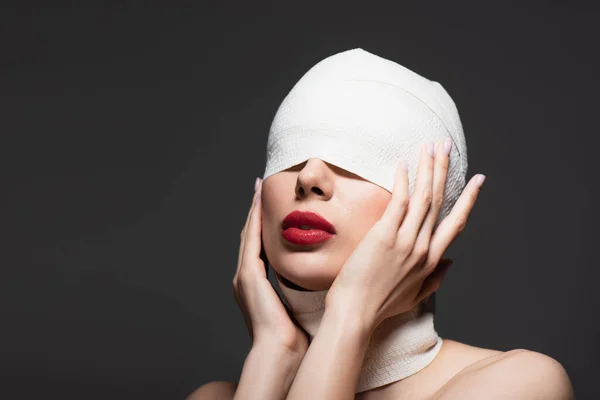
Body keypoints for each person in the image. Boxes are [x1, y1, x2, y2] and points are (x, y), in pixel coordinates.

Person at [188, 49, 574, 399]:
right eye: (290, 152)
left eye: (359, 158)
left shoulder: (518, 384)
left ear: (431, 209)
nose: (308, 177)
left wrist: (349, 314)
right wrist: (274, 352)